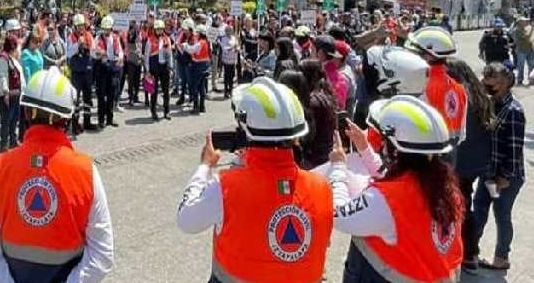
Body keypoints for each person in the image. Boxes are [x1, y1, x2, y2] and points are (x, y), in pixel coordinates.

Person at [176, 77, 333, 282]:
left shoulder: (225, 187)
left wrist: (204, 167)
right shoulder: (322, 187)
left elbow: (187, 220)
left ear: (245, 131)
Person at [0, 67, 114, 282]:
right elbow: (102, 255)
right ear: (67, 118)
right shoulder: (86, 172)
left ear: (27, 112)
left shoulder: (0, 168)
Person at [329, 95, 464, 282]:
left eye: (384, 141)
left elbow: (338, 215)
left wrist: (338, 168)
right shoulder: (445, 187)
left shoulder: (385, 200)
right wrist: (365, 150)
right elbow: (393, 179)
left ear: (394, 150)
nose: (382, 145)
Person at [469, 62, 525, 272]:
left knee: (502, 215)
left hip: (504, 178)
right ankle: (470, 251)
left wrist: (504, 177)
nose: (486, 86)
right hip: (488, 174)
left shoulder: (513, 111)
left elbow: (514, 149)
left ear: (506, 83)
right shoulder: (492, 104)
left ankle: (501, 257)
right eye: (485, 81)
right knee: (480, 209)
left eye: (492, 83)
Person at [445, 58, 494, 273]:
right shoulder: (479, 95)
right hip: (476, 163)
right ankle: (469, 253)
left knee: (461, 208)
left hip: (460, 162)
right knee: (465, 205)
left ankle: (468, 254)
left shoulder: (457, 95)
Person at [406, 26, 468, 151]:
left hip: (428, 155)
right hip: (451, 152)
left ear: (429, 56)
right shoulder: (459, 88)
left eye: (416, 52)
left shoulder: (420, 86)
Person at [66, 14, 94, 133]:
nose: (80, 28)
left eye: (82, 25)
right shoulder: (71, 37)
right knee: (76, 100)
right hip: (76, 73)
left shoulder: (88, 35)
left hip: (87, 72)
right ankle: (75, 124)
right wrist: (78, 44)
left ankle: (87, 122)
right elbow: (69, 53)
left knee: (88, 98)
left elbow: (93, 49)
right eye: (78, 26)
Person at [92, 17, 123, 128]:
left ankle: (109, 119)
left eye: (108, 29)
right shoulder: (97, 38)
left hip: (113, 69)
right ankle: (101, 120)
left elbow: (120, 52)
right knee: (101, 96)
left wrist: (120, 58)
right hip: (102, 68)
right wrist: (99, 54)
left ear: (111, 28)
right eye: (104, 29)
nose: (106, 31)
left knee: (111, 94)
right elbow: (93, 52)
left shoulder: (115, 38)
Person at [0, 36, 24, 150]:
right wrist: (6, 93)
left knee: (14, 119)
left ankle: (13, 140)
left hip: (15, 94)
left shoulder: (11, 57)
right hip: (7, 95)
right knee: (6, 121)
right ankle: (4, 145)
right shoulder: (3, 58)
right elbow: (2, 76)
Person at [143, 19, 173, 122]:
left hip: (164, 67)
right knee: (153, 91)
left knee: (166, 91)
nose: (159, 31)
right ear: (155, 29)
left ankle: (166, 111)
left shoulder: (167, 39)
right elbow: (146, 56)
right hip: (153, 68)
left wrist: (170, 67)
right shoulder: (149, 40)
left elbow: (169, 54)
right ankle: (153, 111)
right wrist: (147, 70)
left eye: (161, 29)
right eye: (158, 29)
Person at [183, 23, 211, 114]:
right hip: (204, 66)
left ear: (200, 33)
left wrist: (185, 46)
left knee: (194, 87)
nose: (195, 34)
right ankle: (202, 106)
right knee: (201, 87)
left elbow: (192, 50)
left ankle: (196, 106)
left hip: (198, 67)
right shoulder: (205, 42)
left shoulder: (200, 43)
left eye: (197, 32)